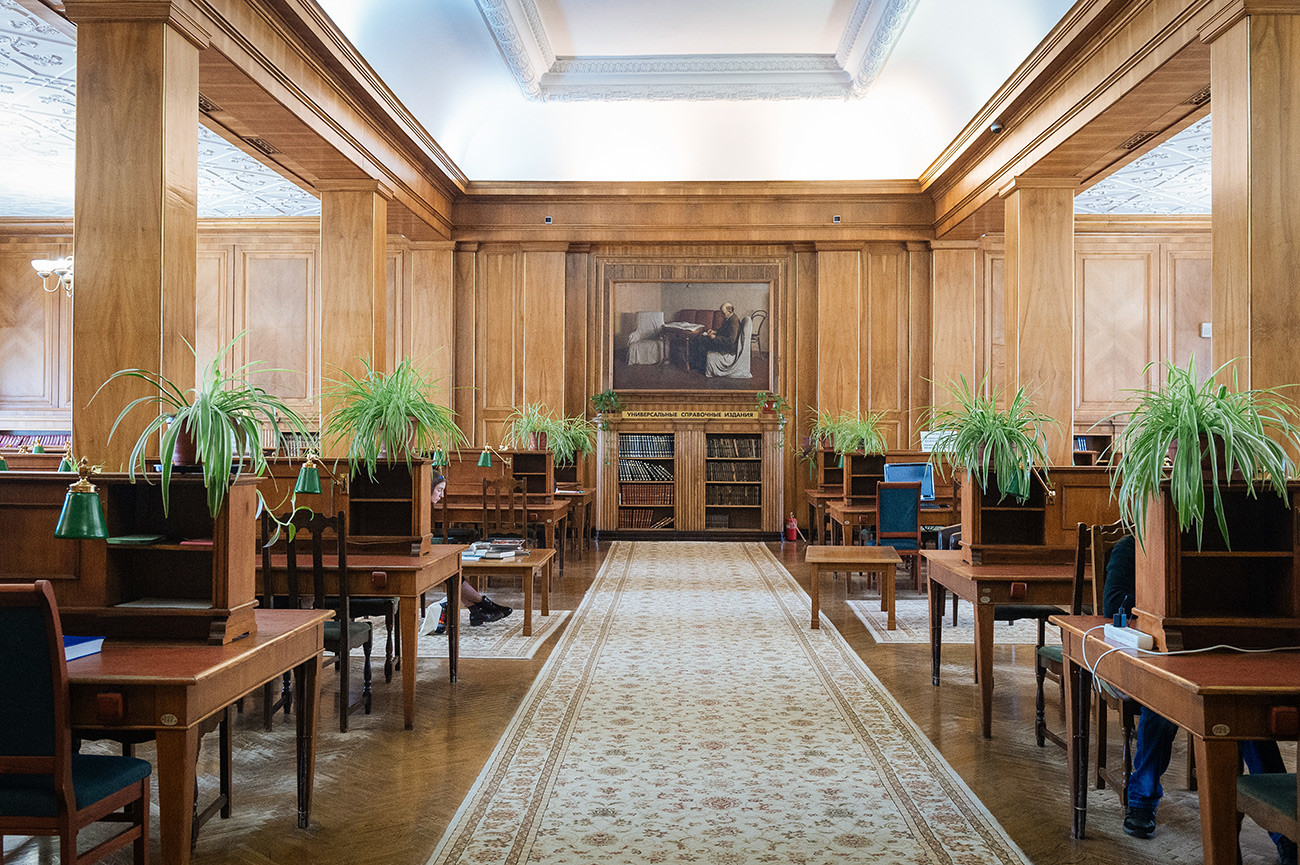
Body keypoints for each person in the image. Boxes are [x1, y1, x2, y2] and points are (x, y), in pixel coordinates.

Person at [1104, 535, 1297, 864]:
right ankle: (1142, 800)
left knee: (1242, 710)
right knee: (1162, 704)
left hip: (1221, 652)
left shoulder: (1218, 544)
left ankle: (1287, 832)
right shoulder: (1132, 547)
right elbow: (1113, 606)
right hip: (1157, 655)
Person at [428, 475, 512, 632]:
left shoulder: (425, 506)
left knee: (451, 567)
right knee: (450, 567)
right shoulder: (421, 508)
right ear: (428, 488)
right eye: (439, 490)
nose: (442, 495)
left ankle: (477, 609)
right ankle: (481, 603)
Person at [688, 302, 741, 373]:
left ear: (729, 311)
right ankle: (697, 365)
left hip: (727, 348)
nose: (722, 315)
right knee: (700, 338)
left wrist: (714, 337)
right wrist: (714, 332)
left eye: (723, 313)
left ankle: (699, 367)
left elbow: (731, 341)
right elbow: (723, 331)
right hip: (723, 342)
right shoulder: (729, 318)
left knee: (701, 340)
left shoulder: (733, 322)